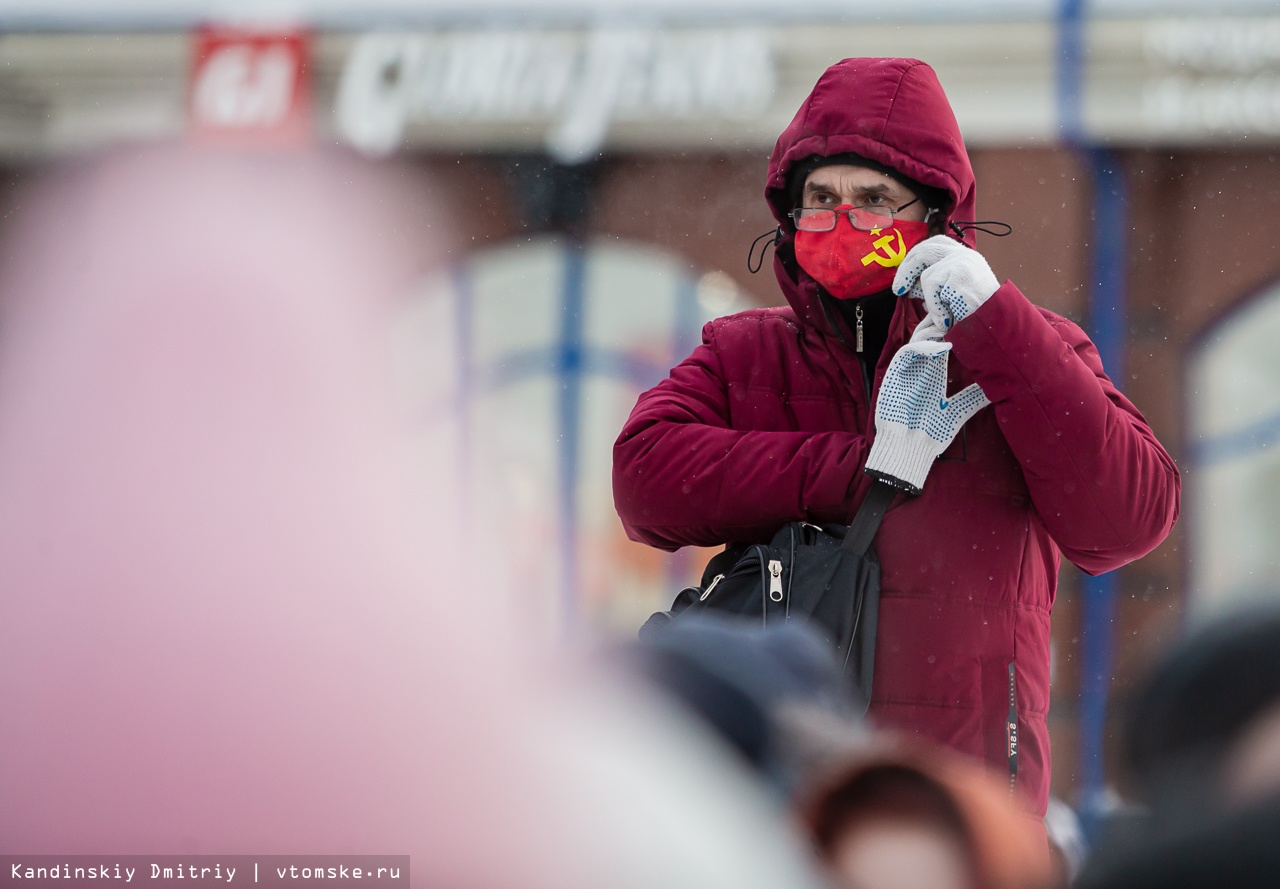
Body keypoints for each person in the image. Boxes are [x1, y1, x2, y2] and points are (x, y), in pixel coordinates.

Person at [612, 57, 1181, 823]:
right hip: (784, 806)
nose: (844, 222)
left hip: (964, 812)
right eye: (821, 199)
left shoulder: (1028, 351)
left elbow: (1128, 518)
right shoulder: (746, 353)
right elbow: (644, 478)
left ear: (937, 213)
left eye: (874, 198)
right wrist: (858, 469)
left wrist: (996, 322)